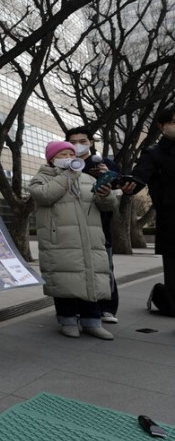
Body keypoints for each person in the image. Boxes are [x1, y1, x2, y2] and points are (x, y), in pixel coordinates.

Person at [30, 141, 117, 339]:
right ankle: (67, 320)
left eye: (71, 153)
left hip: (89, 239)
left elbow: (106, 206)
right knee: (65, 280)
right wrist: (68, 175)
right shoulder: (41, 178)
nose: (70, 156)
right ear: (52, 159)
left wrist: (107, 195)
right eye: (63, 154)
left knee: (90, 279)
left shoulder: (87, 177)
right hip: (59, 241)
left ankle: (92, 322)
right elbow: (44, 196)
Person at [122, 105, 175, 313]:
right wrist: (129, 185)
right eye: (173, 122)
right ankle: (167, 300)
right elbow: (139, 176)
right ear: (162, 126)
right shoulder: (154, 153)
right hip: (171, 220)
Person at [66, 127, 120, 323]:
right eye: (73, 142)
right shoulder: (67, 165)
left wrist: (108, 177)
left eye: (83, 141)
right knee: (79, 270)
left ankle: (108, 308)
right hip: (74, 227)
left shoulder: (106, 164)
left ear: (91, 143)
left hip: (100, 227)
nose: (78, 145)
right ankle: (83, 308)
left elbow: (118, 192)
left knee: (105, 268)